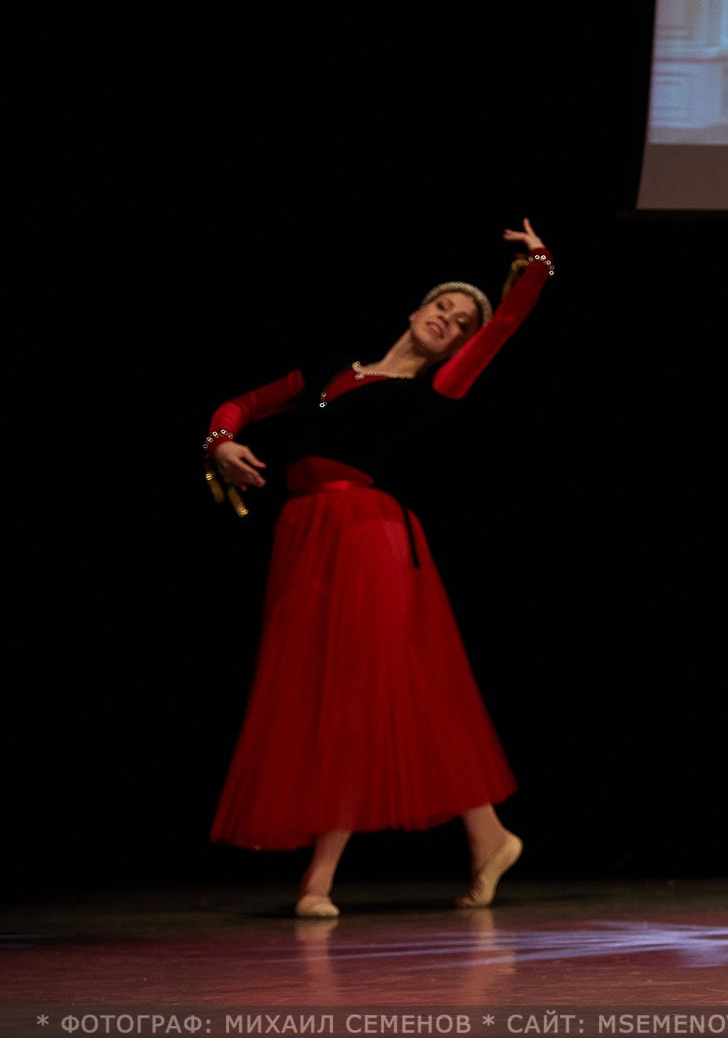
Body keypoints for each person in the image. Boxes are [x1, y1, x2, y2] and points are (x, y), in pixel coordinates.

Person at [203, 221, 554, 918]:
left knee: (353, 693)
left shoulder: (438, 386)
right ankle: (489, 837)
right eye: (444, 309)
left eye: (460, 325)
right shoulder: (331, 370)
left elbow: (506, 322)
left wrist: (538, 264)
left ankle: (318, 880)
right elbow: (243, 404)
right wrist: (219, 442)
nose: (449, 322)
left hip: (369, 536)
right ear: (415, 309)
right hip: (306, 535)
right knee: (395, 689)